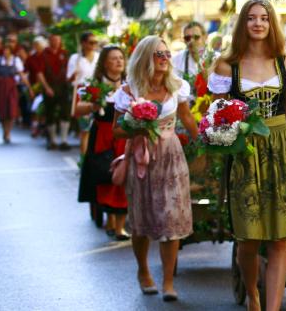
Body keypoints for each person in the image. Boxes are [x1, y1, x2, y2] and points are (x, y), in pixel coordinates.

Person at [209, 0, 286, 311]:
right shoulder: (226, 66)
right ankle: (253, 295)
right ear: (242, 24)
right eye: (251, 18)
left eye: (264, 18)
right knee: (248, 238)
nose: (258, 24)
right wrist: (223, 142)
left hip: (283, 148)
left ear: (272, 24)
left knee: (280, 239)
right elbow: (216, 116)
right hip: (246, 152)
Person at [113, 36, 198, 302]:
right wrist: (137, 126)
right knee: (141, 219)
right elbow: (116, 130)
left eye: (167, 54)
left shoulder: (177, 87)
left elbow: (186, 117)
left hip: (171, 156)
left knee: (171, 219)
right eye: (158, 54)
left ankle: (169, 282)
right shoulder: (129, 91)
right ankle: (143, 271)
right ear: (145, 58)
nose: (164, 58)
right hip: (142, 157)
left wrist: (206, 140)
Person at [75, 45, 129, 240]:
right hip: (103, 135)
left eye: (121, 58)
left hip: (123, 135)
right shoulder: (95, 84)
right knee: (106, 175)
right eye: (114, 58)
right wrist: (94, 104)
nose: (118, 61)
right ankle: (111, 220)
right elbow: (78, 109)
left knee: (123, 177)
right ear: (105, 62)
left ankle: (121, 226)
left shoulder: (129, 83)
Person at [0, 38, 31, 143]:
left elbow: (22, 76)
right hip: (0, 87)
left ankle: (8, 132)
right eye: (4, 50)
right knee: (2, 110)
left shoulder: (16, 60)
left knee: (11, 109)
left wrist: (29, 88)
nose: (5, 52)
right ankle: (4, 130)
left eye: (7, 50)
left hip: (11, 87)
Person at [38, 34, 72, 150]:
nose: (56, 42)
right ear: (49, 40)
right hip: (50, 86)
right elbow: (40, 73)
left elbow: (69, 70)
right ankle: (52, 140)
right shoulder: (44, 54)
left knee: (65, 112)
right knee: (50, 113)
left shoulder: (65, 53)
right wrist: (46, 87)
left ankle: (64, 140)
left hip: (63, 87)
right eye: (53, 40)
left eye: (58, 39)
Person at [68, 32, 100, 154]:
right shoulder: (75, 58)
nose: (94, 45)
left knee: (96, 128)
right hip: (82, 93)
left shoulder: (99, 57)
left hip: (97, 92)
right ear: (83, 43)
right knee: (85, 129)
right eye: (91, 42)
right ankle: (84, 160)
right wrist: (74, 74)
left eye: (95, 42)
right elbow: (69, 79)